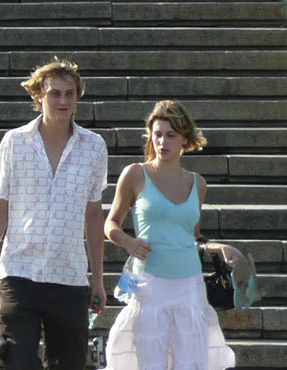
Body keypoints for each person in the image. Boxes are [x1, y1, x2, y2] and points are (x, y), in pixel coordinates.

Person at [0, 58, 108, 370]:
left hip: (69, 275)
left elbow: (94, 215)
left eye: (69, 93)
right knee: (20, 362)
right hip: (19, 271)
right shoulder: (15, 142)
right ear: (39, 95)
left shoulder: (94, 147)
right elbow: (0, 208)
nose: (63, 101)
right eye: (55, 93)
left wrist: (98, 280)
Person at [102, 100, 240, 370]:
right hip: (149, 284)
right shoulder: (135, 174)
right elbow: (111, 224)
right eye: (157, 134)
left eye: (171, 135)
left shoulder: (198, 183)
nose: (162, 142)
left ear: (185, 139)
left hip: (190, 286)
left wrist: (219, 247)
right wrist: (128, 241)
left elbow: (193, 237)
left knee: (191, 364)